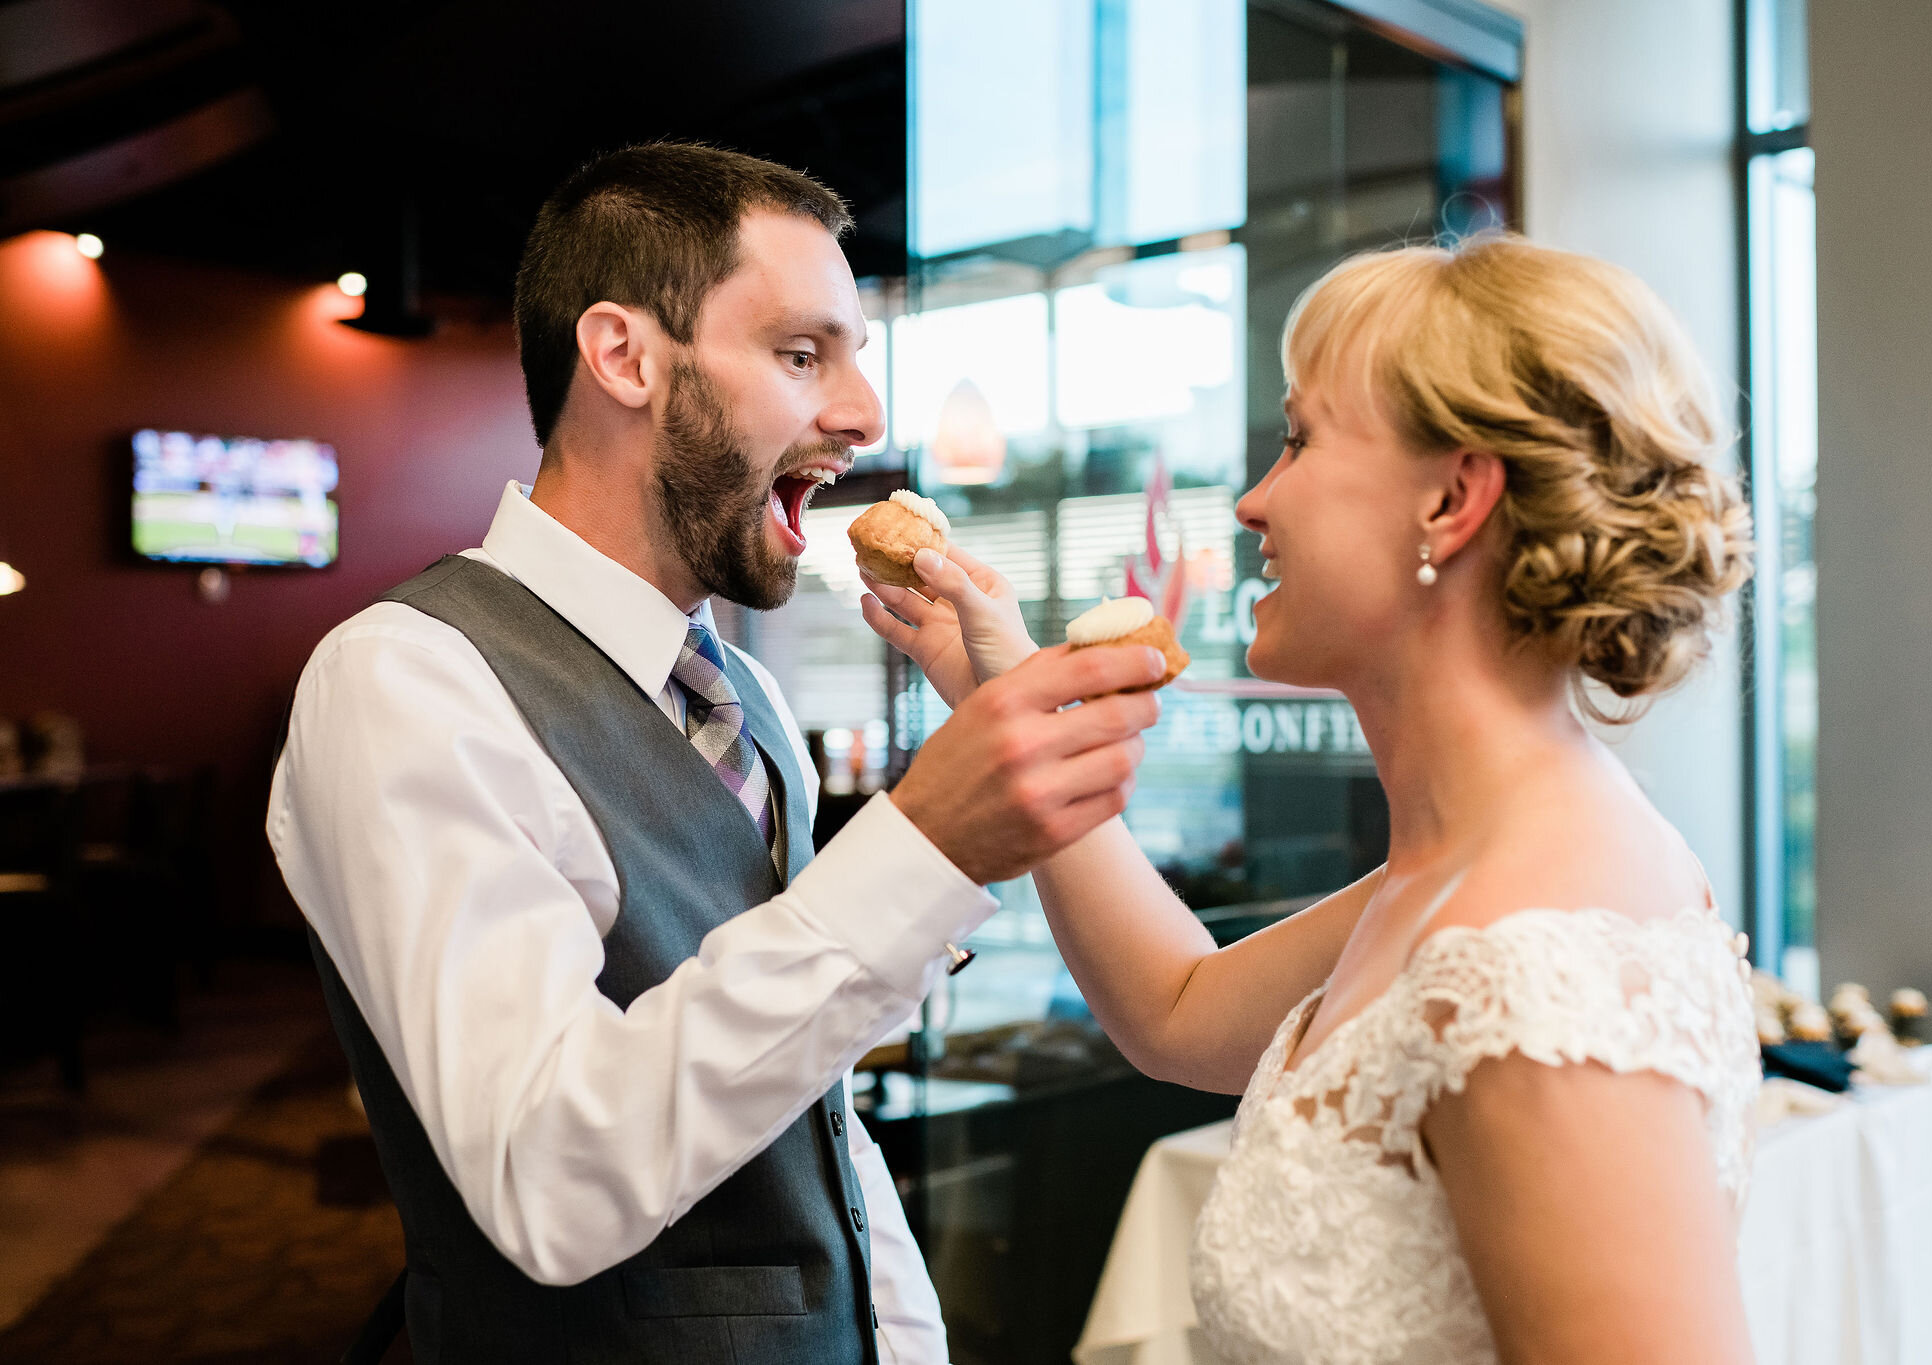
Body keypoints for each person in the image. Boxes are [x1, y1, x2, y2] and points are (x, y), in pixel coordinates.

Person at [267, 142, 1164, 1365]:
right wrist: (922, 840)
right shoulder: (404, 679)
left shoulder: (733, 692)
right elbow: (548, 1178)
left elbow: (814, 1124)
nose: (862, 414)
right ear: (624, 356)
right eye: (803, 354)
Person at [863, 234, 1762, 1364]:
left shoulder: (1534, 962)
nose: (1250, 502)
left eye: (1296, 440)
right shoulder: (1464, 865)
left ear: (1450, 499)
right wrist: (999, 690)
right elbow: (1177, 1011)